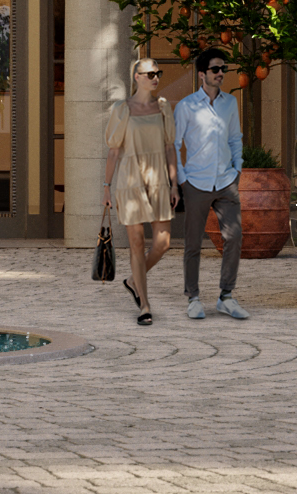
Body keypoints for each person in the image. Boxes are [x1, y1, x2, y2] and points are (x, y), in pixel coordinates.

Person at [172, 46, 250, 318]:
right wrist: (182, 179)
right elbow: (174, 143)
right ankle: (193, 298)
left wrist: (237, 168)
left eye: (223, 69)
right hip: (196, 183)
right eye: (215, 69)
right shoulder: (186, 106)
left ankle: (226, 296)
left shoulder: (230, 103)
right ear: (202, 73)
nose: (221, 73)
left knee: (234, 237)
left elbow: (235, 138)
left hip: (226, 182)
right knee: (193, 243)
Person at [102, 51, 178, 324]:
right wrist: (107, 187)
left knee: (163, 242)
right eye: (150, 74)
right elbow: (113, 151)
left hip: (158, 179)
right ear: (137, 78)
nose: (155, 78)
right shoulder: (122, 110)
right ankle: (144, 305)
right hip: (129, 180)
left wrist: (174, 184)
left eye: (158, 73)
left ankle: (134, 280)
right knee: (136, 243)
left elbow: (170, 147)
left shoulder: (164, 107)